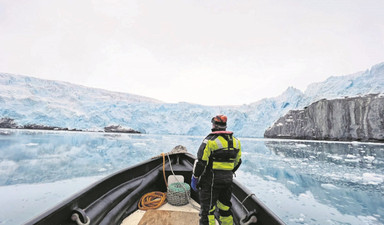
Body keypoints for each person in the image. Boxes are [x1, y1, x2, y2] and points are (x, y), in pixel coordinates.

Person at [191, 115, 242, 225]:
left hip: (211, 182)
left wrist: (195, 177)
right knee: (225, 208)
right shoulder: (236, 142)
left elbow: (201, 163)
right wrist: (228, 172)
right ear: (225, 126)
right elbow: (238, 162)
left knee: (208, 211)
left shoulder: (209, 141)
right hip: (227, 181)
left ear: (214, 125)